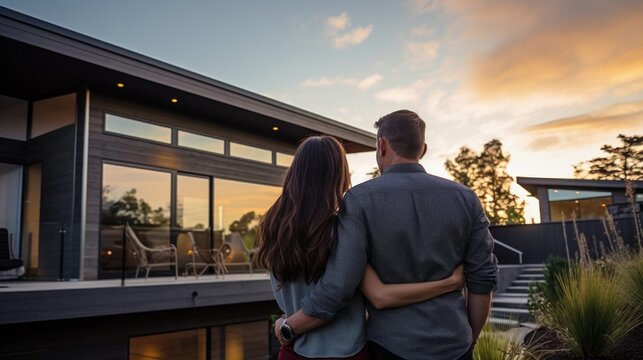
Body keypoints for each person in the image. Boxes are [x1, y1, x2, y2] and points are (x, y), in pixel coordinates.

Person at [279, 110, 498, 360]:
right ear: (423, 149)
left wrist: (290, 325)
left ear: (381, 145)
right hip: (455, 346)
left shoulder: (359, 201)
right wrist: (471, 338)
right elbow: (483, 278)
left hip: (390, 348)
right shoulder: (465, 198)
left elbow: (339, 284)